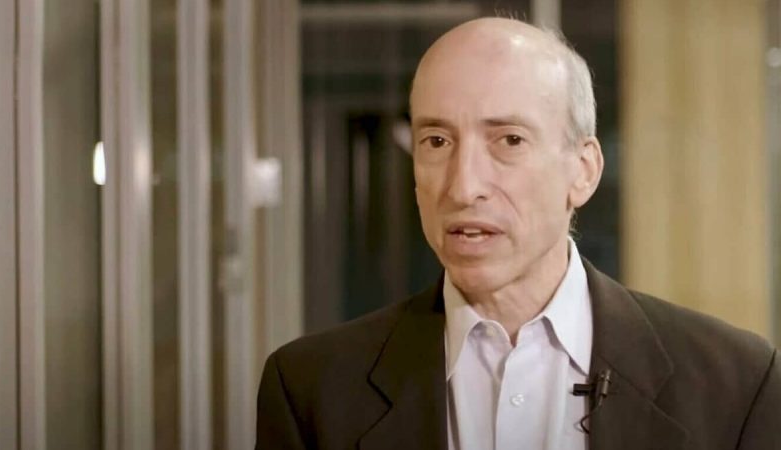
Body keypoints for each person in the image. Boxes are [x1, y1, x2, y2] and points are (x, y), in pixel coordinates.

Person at [256, 17, 781, 450]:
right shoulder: (310, 389)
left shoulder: (736, 384)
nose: (463, 187)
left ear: (583, 171)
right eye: (436, 141)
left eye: (509, 140)